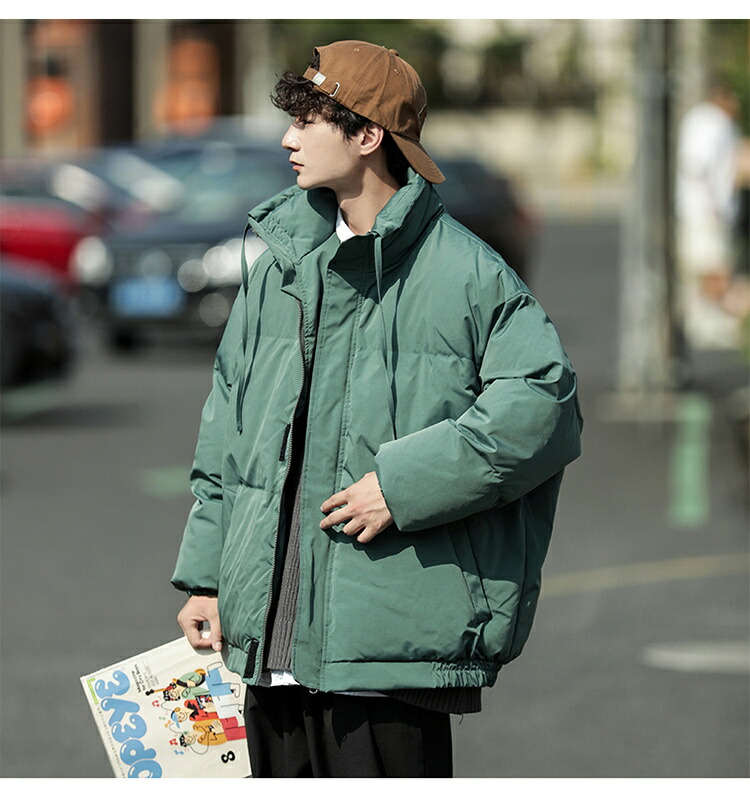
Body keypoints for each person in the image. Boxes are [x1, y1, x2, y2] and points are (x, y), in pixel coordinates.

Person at [172, 40, 583, 778]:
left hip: (388, 655)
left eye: (307, 121)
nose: (288, 139)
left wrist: (404, 485)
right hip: (267, 652)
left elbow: (544, 407)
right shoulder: (279, 269)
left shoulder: (467, 274)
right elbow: (226, 427)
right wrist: (208, 576)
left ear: (367, 135)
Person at [675, 79, 745, 349]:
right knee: (712, 265)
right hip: (705, 209)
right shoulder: (711, 122)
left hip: (704, 208)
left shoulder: (709, 121)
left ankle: (704, 320)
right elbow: (697, 165)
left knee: (710, 265)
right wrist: (712, 203)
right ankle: (707, 323)